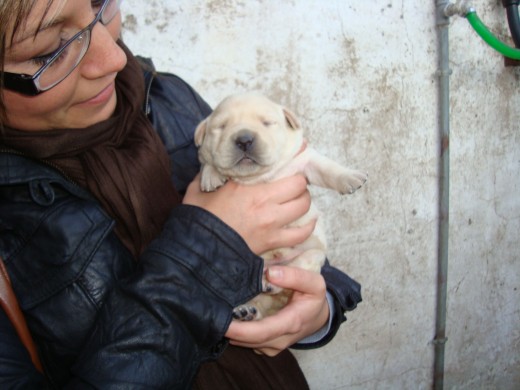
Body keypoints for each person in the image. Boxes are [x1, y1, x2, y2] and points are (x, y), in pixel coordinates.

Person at [0, 0, 362, 388]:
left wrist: (317, 312)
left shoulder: (165, 96)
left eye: (100, 6)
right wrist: (201, 256)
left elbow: (292, 238)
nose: (113, 59)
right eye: (47, 52)